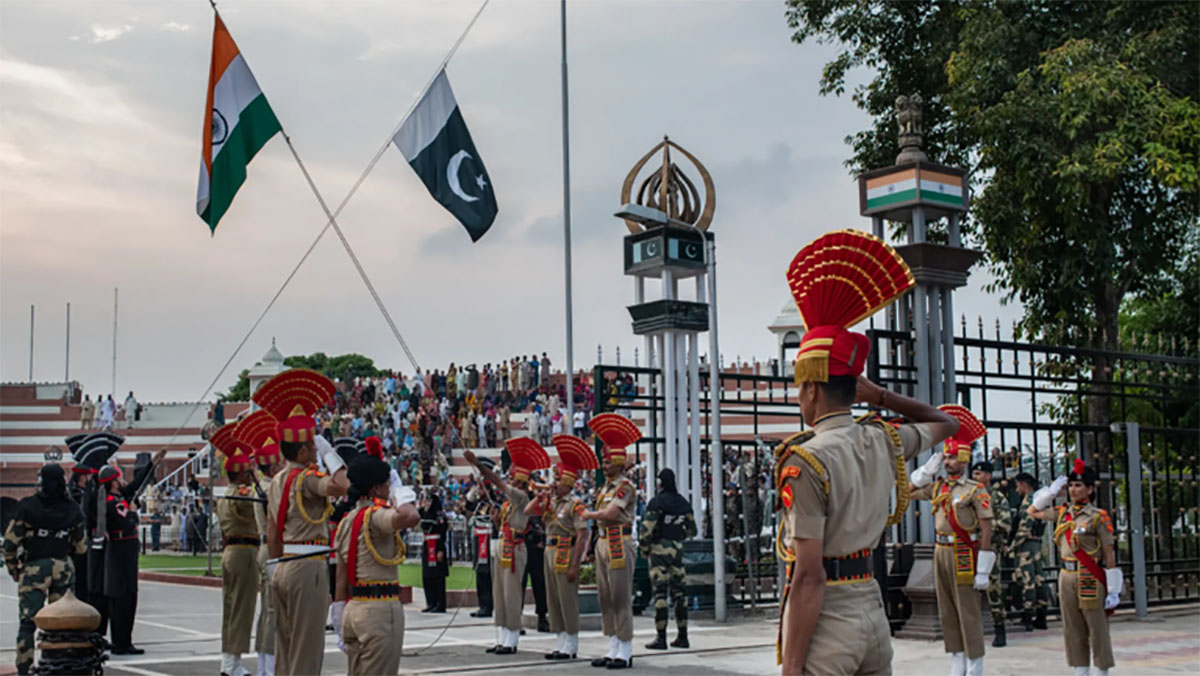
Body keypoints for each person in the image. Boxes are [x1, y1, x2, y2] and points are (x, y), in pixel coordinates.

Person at [775, 229, 962, 676]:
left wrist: (792, 667)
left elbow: (809, 576)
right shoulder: (882, 438)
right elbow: (946, 423)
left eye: (800, 387)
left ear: (812, 387)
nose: (799, 397)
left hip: (829, 623)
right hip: (871, 612)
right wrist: (881, 397)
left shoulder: (805, 461)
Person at [259, 369, 349, 676]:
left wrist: (273, 566)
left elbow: (273, 530)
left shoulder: (276, 480)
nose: (315, 450)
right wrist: (330, 453)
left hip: (282, 565)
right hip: (307, 565)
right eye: (312, 446)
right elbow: (341, 485)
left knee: (285, 646)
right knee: (307, 649)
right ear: (302, 450)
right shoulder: (307, 478)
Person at [909, 406, 994, 676]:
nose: (947, 463)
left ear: (965, 458)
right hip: (940, 550)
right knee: (946, 609)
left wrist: (983, 566)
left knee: (967, 610)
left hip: (964, 552)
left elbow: (986, 528)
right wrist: (925, 471)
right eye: (945, 458)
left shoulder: (974, 490)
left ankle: (975, 662)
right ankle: (957, 658)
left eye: (952, 458)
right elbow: (907, 491)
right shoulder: (938, 487)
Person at [1028, 460, 1121, 676]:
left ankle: (1101, 670)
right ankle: (1081, 670)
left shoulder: (1098, 516)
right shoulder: (1062, 513)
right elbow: (1033, 511)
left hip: (1089, 574)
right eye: (1070, 485)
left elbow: (1109, 553)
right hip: (1066, 575)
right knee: (1073, 627)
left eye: (1078, 485)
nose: (1073, 489)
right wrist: (1049, 493)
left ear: (1089, 488)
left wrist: (1113, 588)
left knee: (1096, 627)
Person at [333, 454, 419, 676]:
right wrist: (402, 493)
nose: (389, 489)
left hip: (353, 609)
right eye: (387, 485)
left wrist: (339, 613)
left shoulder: (347, 521)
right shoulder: (375, 516)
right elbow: (410, 516)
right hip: (378, 609)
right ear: (375, 490)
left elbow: (341, 578)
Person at [462, 438, 550, 655]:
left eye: (513, 477)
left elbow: (495, 481)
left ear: (519, 480)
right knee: (499, 593)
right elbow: (502, 525)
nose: (509, 480)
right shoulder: (508, 503)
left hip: (515, 547)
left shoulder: (520, 496)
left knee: (511, 593)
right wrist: (495, 519)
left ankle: (511, 638)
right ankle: (502, 637)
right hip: (503, 544)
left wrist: (478, 465)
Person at [3, 464, 87, 675]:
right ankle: (59, 664)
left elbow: (10, 544)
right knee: (61, 622)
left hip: (34, 568)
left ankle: (24, 667)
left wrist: (14, 569)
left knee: (28, 622)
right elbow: (81, 546)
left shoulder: (27, 506)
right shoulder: (72, 508)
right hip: (63, 566)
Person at [580, 413, 642, 670]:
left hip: (619, 541)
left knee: (619, 596)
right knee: (605, 597)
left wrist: (589, 514)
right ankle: (613, 646)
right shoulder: (603, 489)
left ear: (618, 463)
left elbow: (611, 514)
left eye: (607, 462)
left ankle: (625, 651)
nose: (603, 466)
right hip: (604, 542)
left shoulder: (624, 487)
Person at [529, 434, 594, 660]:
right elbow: (529, 511)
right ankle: (560, 641)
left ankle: (571, 644)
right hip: (549, 550)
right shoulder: (552, 501)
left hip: (565, 550)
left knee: (567, 598)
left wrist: (575, 564)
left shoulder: (575, 504)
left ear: (567, 483)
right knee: (553, 599)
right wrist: (542, 494)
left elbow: (582, 533)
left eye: (557, 480)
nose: (554, 483)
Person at [98, 446, 167, 655]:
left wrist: (152, 463)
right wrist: (133, 513)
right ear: (112, 482)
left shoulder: (120, 497)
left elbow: (138, 484)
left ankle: (125, 640)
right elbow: (127, 522)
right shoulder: (111, 502)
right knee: (120, 597)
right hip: (119, 549)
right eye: (118, 479)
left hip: (127, 549)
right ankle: (120, 641)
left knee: (130, 596)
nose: (122, 482)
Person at [234, 409, 283, 676]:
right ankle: (269, 666)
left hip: (266, 549)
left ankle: (269, 663)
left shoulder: (263, 487)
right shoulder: (268, 488)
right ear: (273, 466)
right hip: (271, 549)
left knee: (269, 611)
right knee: (272, 612)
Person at [211, 422, 259, 676]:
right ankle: (233, 662)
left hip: (231, 552)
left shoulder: (226, 494)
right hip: (244, 553)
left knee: (231, 608)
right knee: (242, 608)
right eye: (248, 472)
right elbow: (256, 505)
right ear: (242, 475)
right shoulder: (242, 493)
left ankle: (228, 659)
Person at [640, 468, 697, 650]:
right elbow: (692, 530)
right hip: (678, 548)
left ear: (660, 483)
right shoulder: (683, 503)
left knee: (660, 593)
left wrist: (645, 548)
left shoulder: (657, 502)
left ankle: (661, 637)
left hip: (659, 549)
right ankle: (683, 636)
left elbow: (647, 529)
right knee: (680, 593)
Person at [971, 460, 1012, 647]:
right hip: (969, 548)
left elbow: (1005, 525)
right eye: (973, 474)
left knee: (993, 590)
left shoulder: (997, 498)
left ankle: (999, 629)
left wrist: (985, 527)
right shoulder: (969, 496)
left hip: (990, 549)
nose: (975, 477)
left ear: (988, 476)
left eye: (979, 474)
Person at [1011, 472, 1050, 631]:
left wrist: (1012, 545)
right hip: (1037, 544)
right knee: (1040, 579)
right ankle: (1041, 616)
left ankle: (1027, 618)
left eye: (1017, 485)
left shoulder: (1029, 501)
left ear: (1023, 485)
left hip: (1026, 545)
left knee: (1028, 580)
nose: (1016, 489)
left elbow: (1025, 526)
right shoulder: (1039, 499)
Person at [520, 486, 550, 634]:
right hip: (521, 546)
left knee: (540, 583)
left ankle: (542, 616)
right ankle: (517, 618)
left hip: (536, 548)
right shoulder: (513, 502)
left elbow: (544, 522)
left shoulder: (536, 502)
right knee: (519, 584)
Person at [468, 480, 496, 619]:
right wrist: (471, 495)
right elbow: (468, 507)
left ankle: (488, 605)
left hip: (487, 540)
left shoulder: (493, 503)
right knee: (480, 574)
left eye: (481, 489)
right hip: (479, 541)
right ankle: (482, 605)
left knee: (487, 575)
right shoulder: (479, 504)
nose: (479, 492)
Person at [419, 492, 449, 613]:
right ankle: (430, 602)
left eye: (429, 501)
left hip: (437, 545)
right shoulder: (424, 513)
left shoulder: (439, 515)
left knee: (437, 576)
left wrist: (441, 549)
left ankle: (440, 603)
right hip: (427, 544)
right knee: (427, 575)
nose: (427, 503)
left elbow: (443, 532)